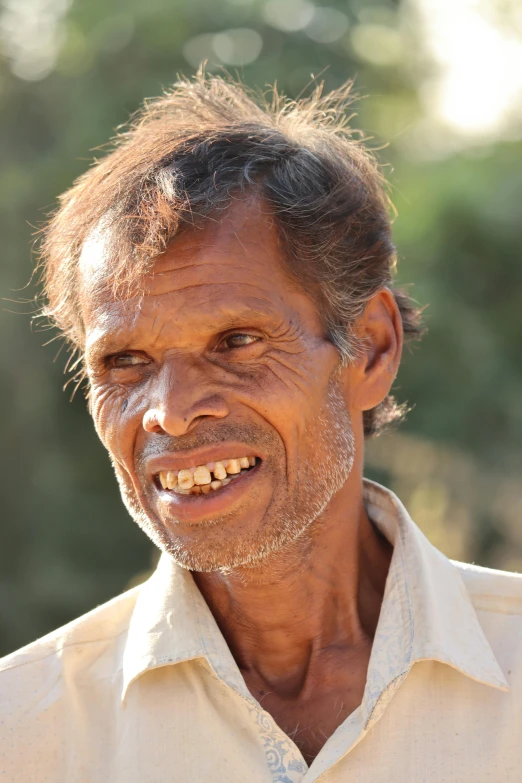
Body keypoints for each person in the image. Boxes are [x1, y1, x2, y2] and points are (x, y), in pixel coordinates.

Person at [1, 73, 521, 783]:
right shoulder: (25, 731)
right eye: (125, 361)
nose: (172, 411)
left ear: (370, 347)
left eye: (236, 342)